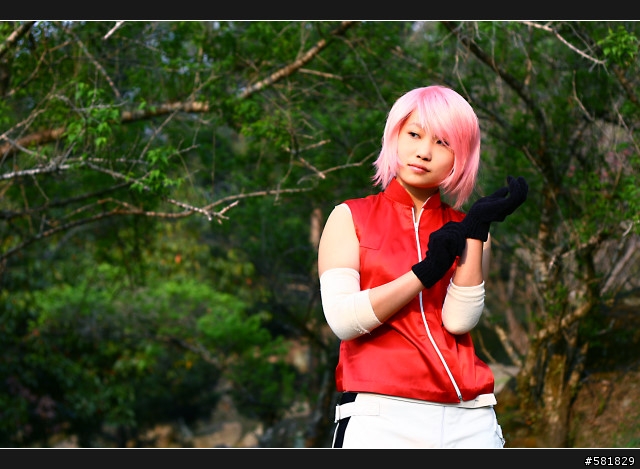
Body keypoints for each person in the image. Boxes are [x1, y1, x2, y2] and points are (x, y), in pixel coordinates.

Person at [317, 85, 528, 448]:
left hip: (470, 418)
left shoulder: (468, 229)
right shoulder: (349, 216)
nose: (424, 152)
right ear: (395, 136)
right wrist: (424, 273)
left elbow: (459, 321)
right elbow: (343, 320)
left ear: (461, 156)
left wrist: (476, 231)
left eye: (443, 142)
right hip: (380, 416)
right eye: (414, 134)